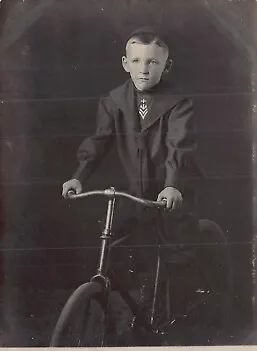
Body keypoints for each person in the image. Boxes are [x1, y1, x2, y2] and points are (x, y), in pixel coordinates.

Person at [62, 25, 203, 280]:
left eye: (152, 62)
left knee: (178, 252)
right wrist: (78, 177)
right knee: (122, 245)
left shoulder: (179, 104)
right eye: (136, 61)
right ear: (125, 63)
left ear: (166, 66)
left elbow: (179, 145)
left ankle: (186, 310)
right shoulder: (113, 102)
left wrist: (173, 185)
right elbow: (99, 141)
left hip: (171, 190)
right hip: (134, 191)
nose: (144, 69)